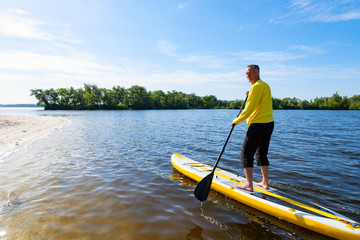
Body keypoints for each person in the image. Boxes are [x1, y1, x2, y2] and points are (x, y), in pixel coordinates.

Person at [232, 64, 274, 192]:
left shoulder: (256, 87)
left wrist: (236, 120)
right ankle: (265, 183)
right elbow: (259, 100)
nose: (247, 75)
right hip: (269, 123)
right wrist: (250, 93)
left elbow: (249, 109)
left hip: (258, 124)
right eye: (246, 73)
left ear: (257, 72)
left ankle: (249, 184)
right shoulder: (264, 85)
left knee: (246, 153)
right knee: (261, 153)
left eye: (250, 73)